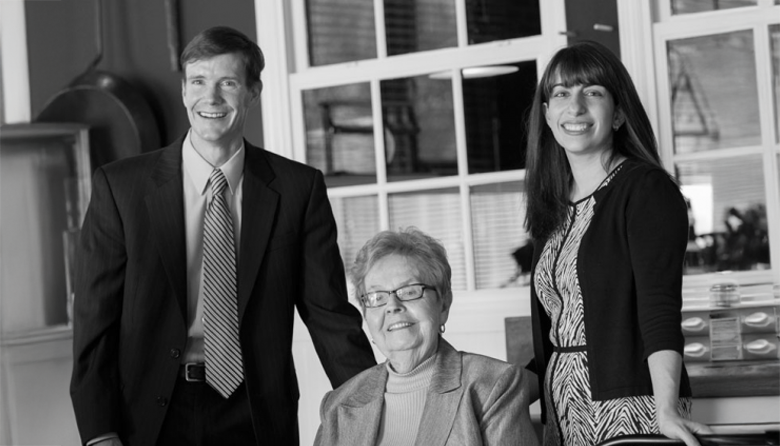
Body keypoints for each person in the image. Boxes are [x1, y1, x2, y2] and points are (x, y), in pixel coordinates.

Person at [70, 26, 376, 446]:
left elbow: (329, 316)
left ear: (253, 91)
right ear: (183, 91)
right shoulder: (121, 188)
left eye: (227, 83)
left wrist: (376, 411)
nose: (210, 98)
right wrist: (99, 432)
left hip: (256, 412)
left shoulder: (297, 189)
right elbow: (94, 321)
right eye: (198, 81)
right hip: (148, 414)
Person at [523, 41, 713, 446]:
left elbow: (660, 309)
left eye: (592, 92)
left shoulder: (646, 190)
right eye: (560, 94)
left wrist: (666, 408)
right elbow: (562, 327)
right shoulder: (553, 208)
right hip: (565, 410)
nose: (574, 107)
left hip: (631, 408)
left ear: (619, 113)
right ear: (547, 114)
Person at [314, 227, 539, 446]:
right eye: (376, 296)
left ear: (443, 303)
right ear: (366, 314)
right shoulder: (338, 405)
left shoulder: (493, 386)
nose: (392, 306)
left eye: (410, 291)